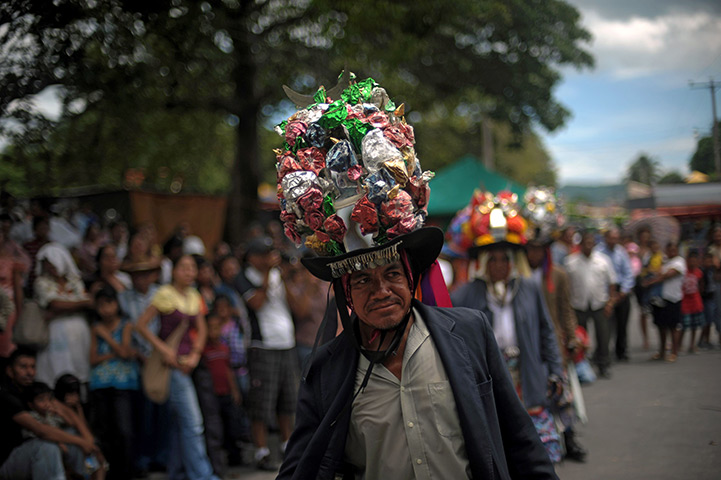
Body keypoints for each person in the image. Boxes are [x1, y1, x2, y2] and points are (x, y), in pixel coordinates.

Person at [450, 192, 564, 464]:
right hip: (490, 377)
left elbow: (546, 333)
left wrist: (557, 372)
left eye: (504, 259)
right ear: (483, 263)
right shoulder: (464, 296)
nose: (499, 265)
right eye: (493, 259)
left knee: (537, 451)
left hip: (527, 374)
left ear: (513, 261)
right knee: (499, 446)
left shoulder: (529, 289)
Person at [135, 255, 219, 480]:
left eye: (192, 268)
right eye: (183, 267)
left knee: (179, 423)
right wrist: (163, 350)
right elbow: (141, 325)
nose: (189, 272)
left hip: (186, 365)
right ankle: (202, 475)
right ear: (173, 271)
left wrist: (195, 355)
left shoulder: (194, 296)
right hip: (170, 366)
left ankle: (178, 472)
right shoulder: (164, 294)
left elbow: (201, 330)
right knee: (193, 423)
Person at [236, 237, 300, 470]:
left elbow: (295, 307)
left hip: (287, 343)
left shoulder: (277, 274)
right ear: (252, 257)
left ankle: (287, 446)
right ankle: (261, 451)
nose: (268, 258)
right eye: (263, 254)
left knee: (288, 399)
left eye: (270, 253)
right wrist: (267, 274)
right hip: (262, 346)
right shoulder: (244, 277)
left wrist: (284, 276)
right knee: (261, 402)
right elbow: (258, 303)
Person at [525, 234, 587, 462]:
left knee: (562, 397)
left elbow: (566, 309)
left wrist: (572, 338)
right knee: (533, 399)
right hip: (529, 348)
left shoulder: (557, 275)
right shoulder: (519, 276)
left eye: (539, 249)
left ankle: (569, 440)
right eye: (531, 249)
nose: (534, 254)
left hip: (554, 345)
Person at [0, 347, 99, 480]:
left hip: (35, 453)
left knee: (73, 434)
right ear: (10, 371)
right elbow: (40, 430)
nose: (29, 372)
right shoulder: (6, 396)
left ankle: (88, 476)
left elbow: (69, 414)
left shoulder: (36, 389)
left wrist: (88, 440)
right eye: (23, 367)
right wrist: (82, 441)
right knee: (47, 446)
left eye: (32, 367)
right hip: (10, 462)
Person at [88, 285, 139, 480]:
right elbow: (92, 359)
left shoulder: (125, 324)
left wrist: (107, 337)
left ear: (117, 304)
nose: (106, 309)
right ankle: (108, 472)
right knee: (105, 430)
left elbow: (125, 353)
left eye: (109, 303)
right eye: (101, 305)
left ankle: (126, 471)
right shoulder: (95, 327)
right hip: (100, 384)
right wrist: (113, 352)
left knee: (124, 429)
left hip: (123, 384)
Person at [33, 243, 93, 387]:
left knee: (80, 369)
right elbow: (54, 304)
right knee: (57, 368)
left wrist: (64, 306)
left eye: (53, 263)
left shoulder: (75, 280)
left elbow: (90, 303)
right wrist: (81, 303)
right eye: (47, 264)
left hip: (80, 331)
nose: (50, 267)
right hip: (55, 332)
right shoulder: (41, 282)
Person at [21, 381, 106, 480]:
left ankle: (88, 473)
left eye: (48, 399)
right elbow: (45, 434)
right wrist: (60, 442)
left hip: (69, 452)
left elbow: (72, 423)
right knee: (78, 443)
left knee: (95, 457)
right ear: (31, 404)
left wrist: (72, 409)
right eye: (41, 400)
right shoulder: (32, 418)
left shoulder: (50, 414)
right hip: (46, 452)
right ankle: (84, 473)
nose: (46, 403)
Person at [564, 231, 617, 378]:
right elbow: (565, 286)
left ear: (594, 244)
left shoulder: (603, 261)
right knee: (580, 338)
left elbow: (612, 283)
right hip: (578, 305)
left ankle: (603, 364)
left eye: (590, 243)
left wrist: (610, 302)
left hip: (599, 304)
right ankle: (582, 364)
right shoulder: (570, 262)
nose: (588, 246)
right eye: (585, 243)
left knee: (603, 336)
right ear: (580, 245)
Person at [202, 314, 243, 467]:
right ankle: (216, 461)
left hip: (226, 393)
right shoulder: (203, 350)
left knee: (232, 426)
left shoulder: (224, 348)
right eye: (210, 328)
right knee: (215, 428)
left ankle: (235, 458)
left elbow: (228, 371)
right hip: (212, 395)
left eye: (217, 327)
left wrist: (235, 391)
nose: (214, 331)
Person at [596, 227, 635, 362]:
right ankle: (602, 352)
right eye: (611, 238)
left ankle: (621, 350)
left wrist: (623, 291)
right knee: (605, 325)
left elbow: (628, 273)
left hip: (620, 290)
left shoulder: (621, 252)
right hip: (605, 290)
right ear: (606, 238)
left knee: (622, 323)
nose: (613, 241)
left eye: (615, 238)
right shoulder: (598, 252)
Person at [643, 242, 686, 363]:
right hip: (660, 299)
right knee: (661, 326)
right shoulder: (666, 261)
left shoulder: (679, 262)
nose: (671, 251)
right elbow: (656, 271)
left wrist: (652, 281)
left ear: (677, 250)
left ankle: (674, 352)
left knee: (673, 326)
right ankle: (662, 352)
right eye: (669, 249)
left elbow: (668, 275)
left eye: (674, 249)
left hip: (673, 298)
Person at [0, 225, 30, 357]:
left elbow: (18, 290)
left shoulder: (12, 261)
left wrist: (19, 314)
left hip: (6, 310)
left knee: (6, 349)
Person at [22, 216, 50, 298]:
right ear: (34, 230)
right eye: (41, 228)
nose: (43, 231)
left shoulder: (52, 246)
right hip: (32, 282)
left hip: (48, 283)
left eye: (45, 228)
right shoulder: (28, 246)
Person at [698, 251, 718, 349]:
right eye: (707, 261)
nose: (709, 263)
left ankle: (706, 340)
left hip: (712, 297)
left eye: (711, 261)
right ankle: (703, 340)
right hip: (706, 298)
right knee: (706, 321)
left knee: (709, 320)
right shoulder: (702, 271)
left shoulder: (713, 270)